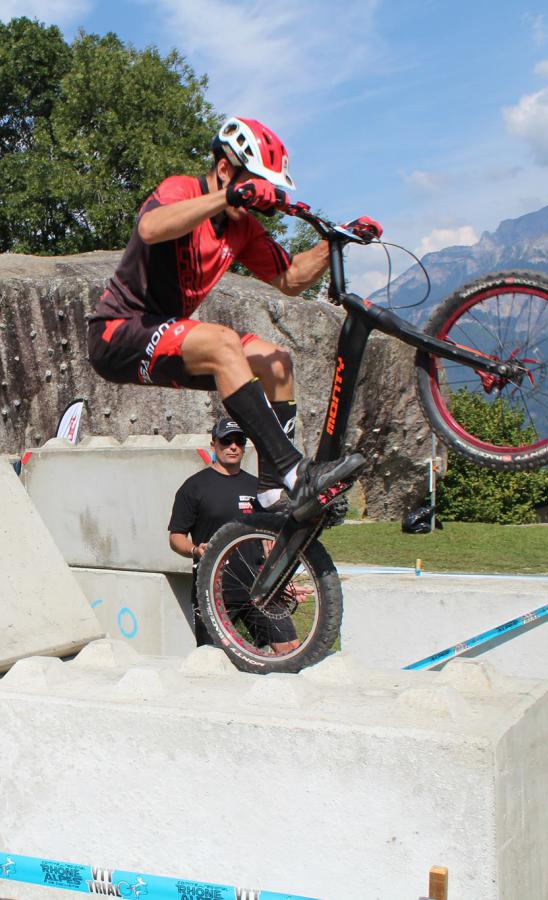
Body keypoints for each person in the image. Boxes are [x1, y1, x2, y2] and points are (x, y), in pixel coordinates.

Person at [87, 116, 381, 522]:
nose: (263, 199)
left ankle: (273, 492)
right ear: (225, 170)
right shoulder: (183, 190)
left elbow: (292, 278)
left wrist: (334, 242)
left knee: (276, 361)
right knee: (223, 342)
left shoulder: (242, 229)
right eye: (256, 185)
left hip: (166, 334)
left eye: (267, 190)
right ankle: (295, 471)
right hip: (117, 333)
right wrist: (228, 197)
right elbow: (151, 228)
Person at [168, 418, 298, 654]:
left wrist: (280, 576)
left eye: (239, 441)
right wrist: (195, 550)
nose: (233, 446)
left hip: (259, 588)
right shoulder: (194, 487)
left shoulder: (258, 487)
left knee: (291, 651)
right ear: (213, 444)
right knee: (213, 661)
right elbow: (176, 537)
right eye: (226, 441)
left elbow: (270, 536)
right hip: (213, 590)